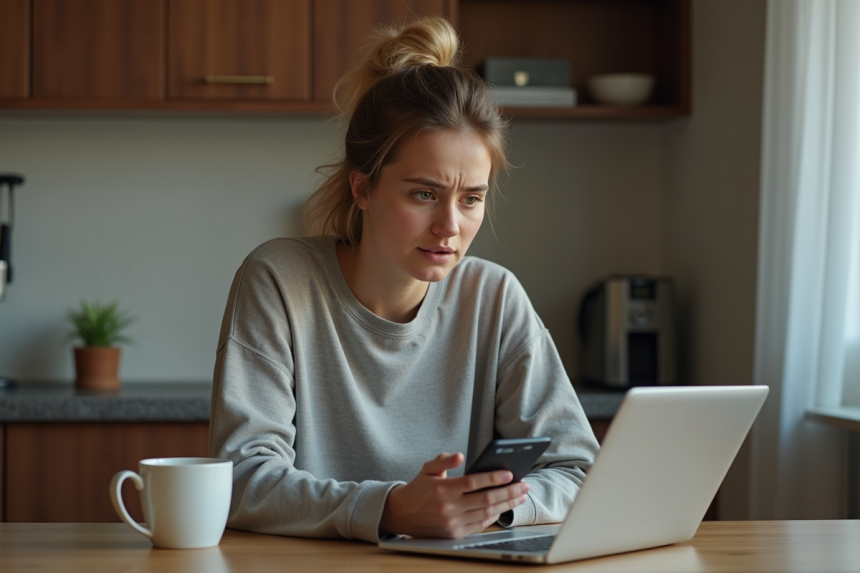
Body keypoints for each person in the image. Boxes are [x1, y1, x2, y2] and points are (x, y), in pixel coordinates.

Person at [209, 16, 599, 544]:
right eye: (423, 194)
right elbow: (240, 478)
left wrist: (486, 510)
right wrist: (389, 509)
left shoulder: (495, 297)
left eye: (472, 199)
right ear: (363, 188)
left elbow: (579, 470)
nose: (450, 226)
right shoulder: (280, 280)